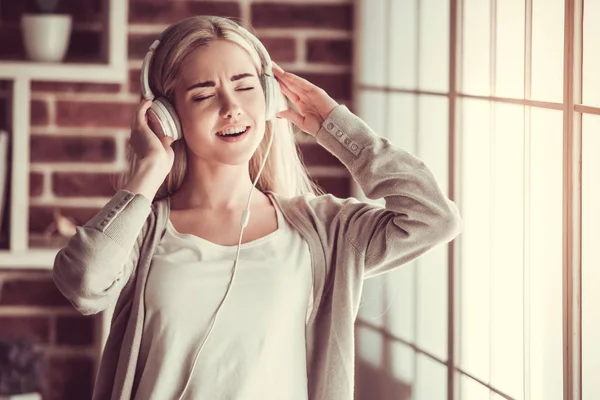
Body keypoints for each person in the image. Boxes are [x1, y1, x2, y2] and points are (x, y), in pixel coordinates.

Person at [52, 15, 462, 400]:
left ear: (267, 98)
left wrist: (333, 126)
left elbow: (433, 217)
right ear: (168, 116)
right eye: (203, 93)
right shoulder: (143, 230)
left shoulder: (323, 231)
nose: (230, 106)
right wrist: (147, 171)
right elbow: (85, 284)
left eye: (245, 86)